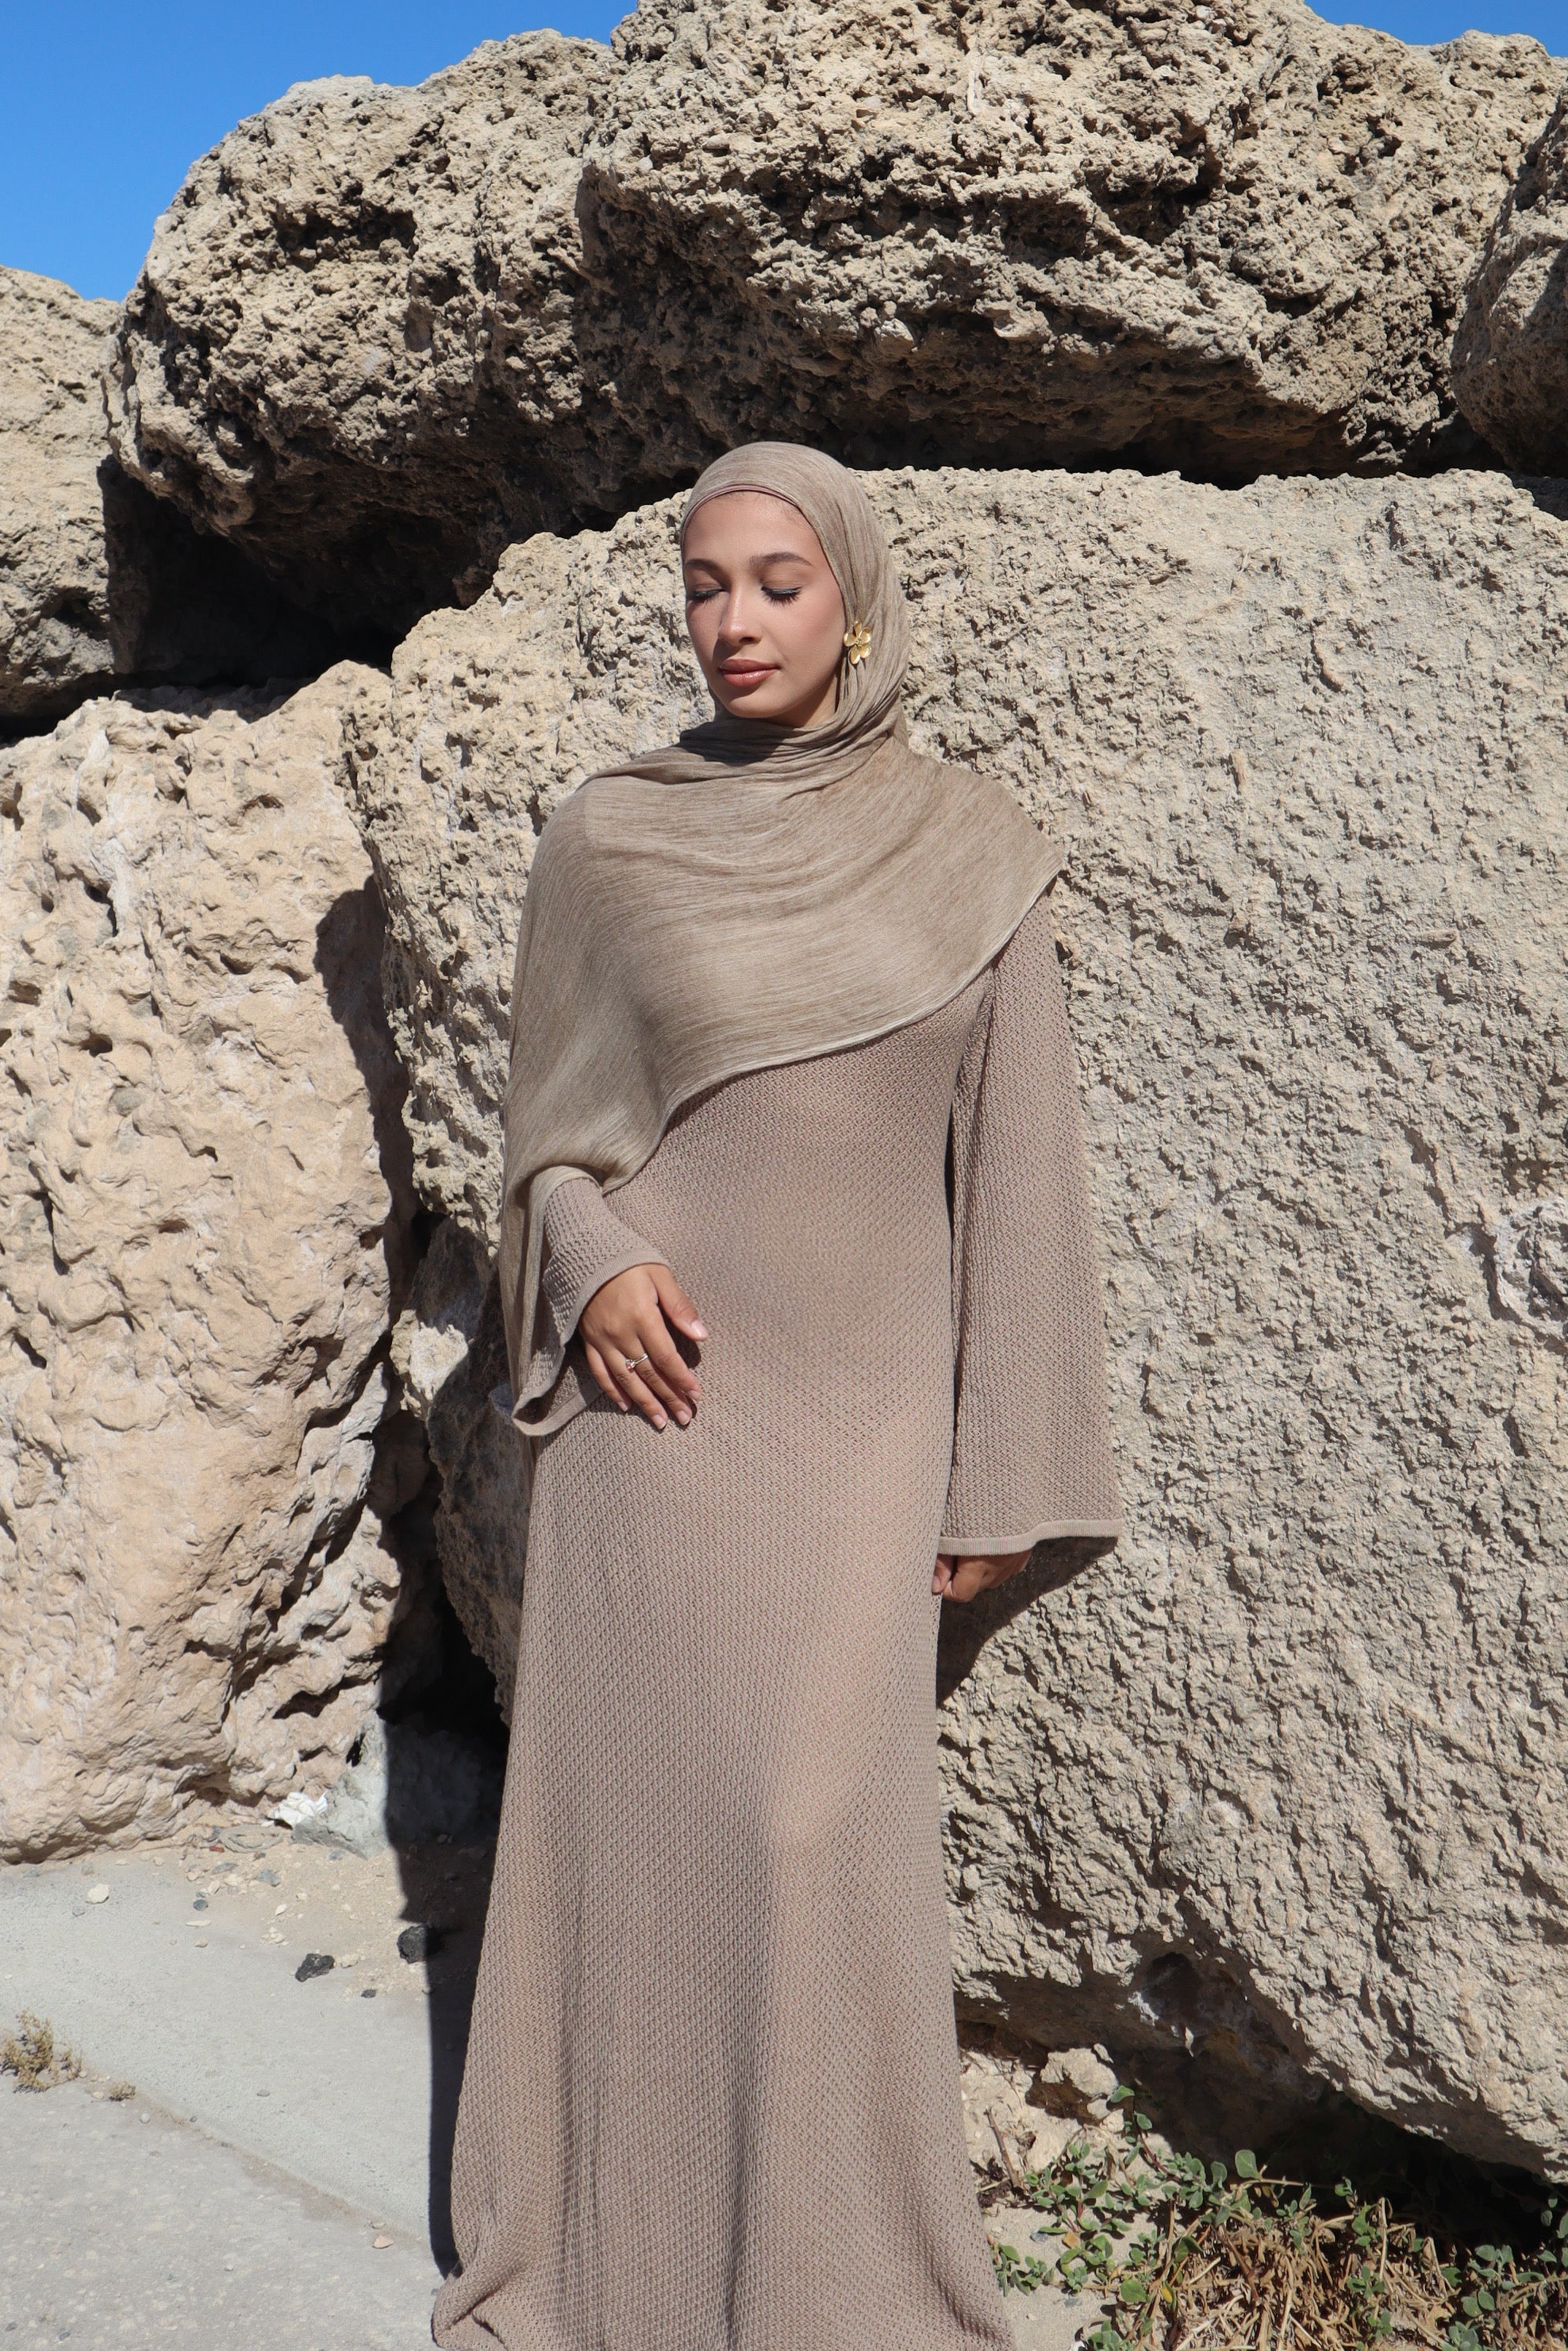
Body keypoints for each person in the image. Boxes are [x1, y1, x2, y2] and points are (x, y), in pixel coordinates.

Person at [432, 442, 1121, 2351]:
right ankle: (601, 2263)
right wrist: (590, 1260)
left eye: (775, 583)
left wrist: (1001, 1469)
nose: (730, 621)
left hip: (862, 1434)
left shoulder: (973, 849)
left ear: (855, 604)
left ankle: (829, 2290)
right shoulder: (609, 837)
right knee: (637, 1837)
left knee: (803, 1834)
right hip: (653, 1425)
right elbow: (543, 1146)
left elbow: (1021, 1181)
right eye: (703, 582)